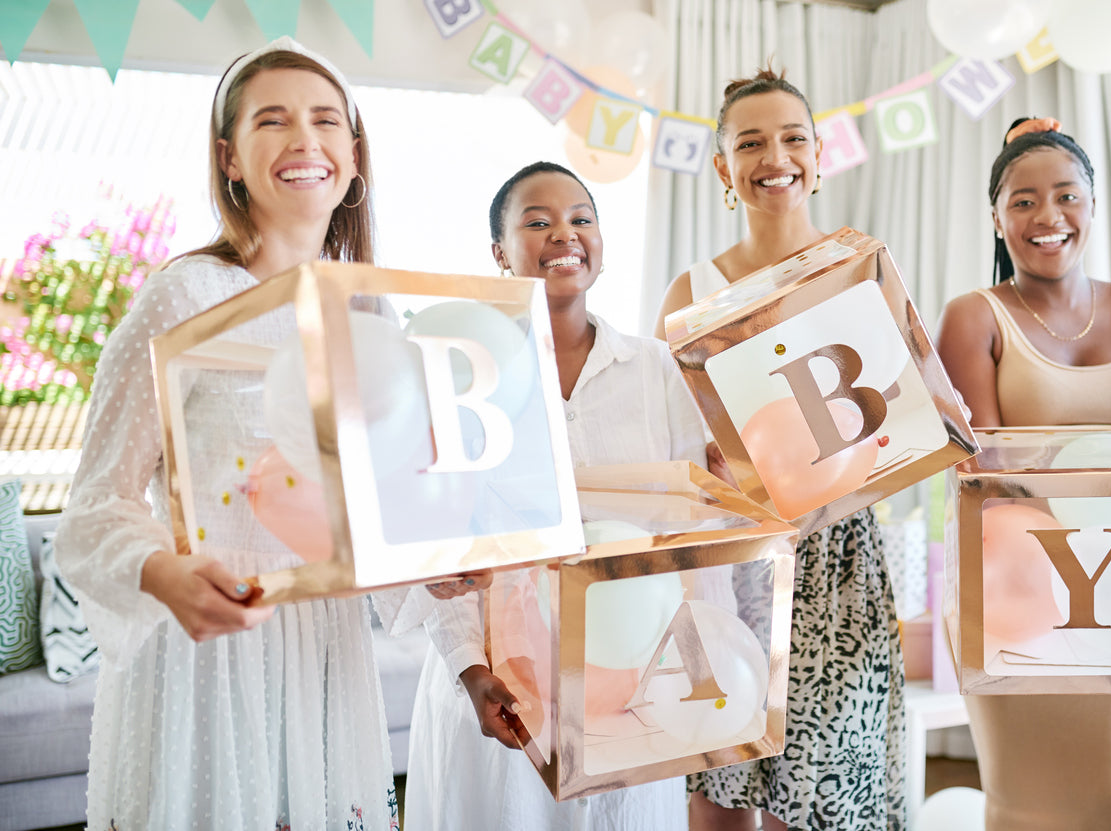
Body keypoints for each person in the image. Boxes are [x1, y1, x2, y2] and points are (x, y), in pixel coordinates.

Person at [55, 38, 404, 829]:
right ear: (230, 158)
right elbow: (95, 504)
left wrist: (446, 562)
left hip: (324, 646)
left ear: (353, 157)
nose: (304, 140)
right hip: (206, 652)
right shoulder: (184, 295)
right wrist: (161, 571)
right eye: (273, 121)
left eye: (325, 121)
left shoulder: (372, 313)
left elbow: (387, 497)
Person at [403, 161, 707, 830]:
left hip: (632, 686)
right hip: (503, 688)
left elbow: (692, 528)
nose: (563, 234)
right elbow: (435, 538)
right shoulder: (456, 376)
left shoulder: (656, 368)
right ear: (498, 253)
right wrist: (470, 668)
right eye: (536, 222)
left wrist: (693, 666)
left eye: (580, 219)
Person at [655, 67, 907, 831]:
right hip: (729, 564)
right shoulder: (690, 291)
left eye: (794, 137)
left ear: (820, 155)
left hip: (836, 558)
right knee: (719, 790)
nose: (777, 156)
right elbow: (677, 442)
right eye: (751, 142)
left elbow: (902, 418)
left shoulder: (861, 266)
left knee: (822, 797)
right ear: (723, 165)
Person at [935, 116, 1111, 830]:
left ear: (1091, 203)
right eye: (1021, 201)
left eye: (1065, 196)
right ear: (994, 218)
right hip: (1015, 593)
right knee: (1024, 805)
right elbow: (983, 479)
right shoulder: (973, 317)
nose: (1046, 216)